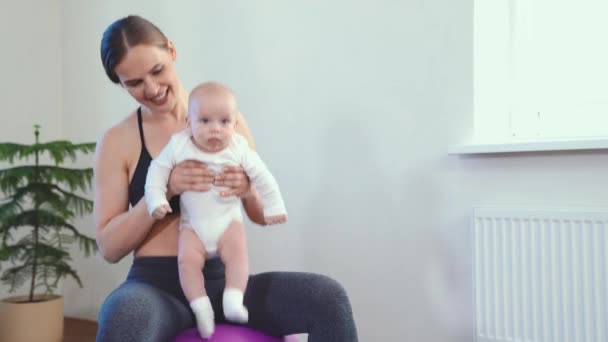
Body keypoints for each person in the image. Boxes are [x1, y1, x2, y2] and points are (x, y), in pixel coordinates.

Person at [94, 14, 358, 342]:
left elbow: (260, 214)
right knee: (125, 315)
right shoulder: (118, 140)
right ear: (120, 83)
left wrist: (247, 190)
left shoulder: (227, 122)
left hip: (227, 283)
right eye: (134, 83)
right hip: (156, 288)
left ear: (172, 51)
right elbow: (109, 247)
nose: (152, 88)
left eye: (157, 70)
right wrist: (165, 189)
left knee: (328, 298)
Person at [145, 81, 288, 338]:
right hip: (193, 228)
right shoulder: (179, 145)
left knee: (238, 257)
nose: (216, 130)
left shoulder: (238, 148)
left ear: (234, 124)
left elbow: (263, 176)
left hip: (227, 223)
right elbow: (157, 171)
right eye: (206, 121)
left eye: (224, 122)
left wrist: (274, 205)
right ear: (189, 122)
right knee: (187, 264)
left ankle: (233, 299)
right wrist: (157, 198)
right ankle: (201, 308)